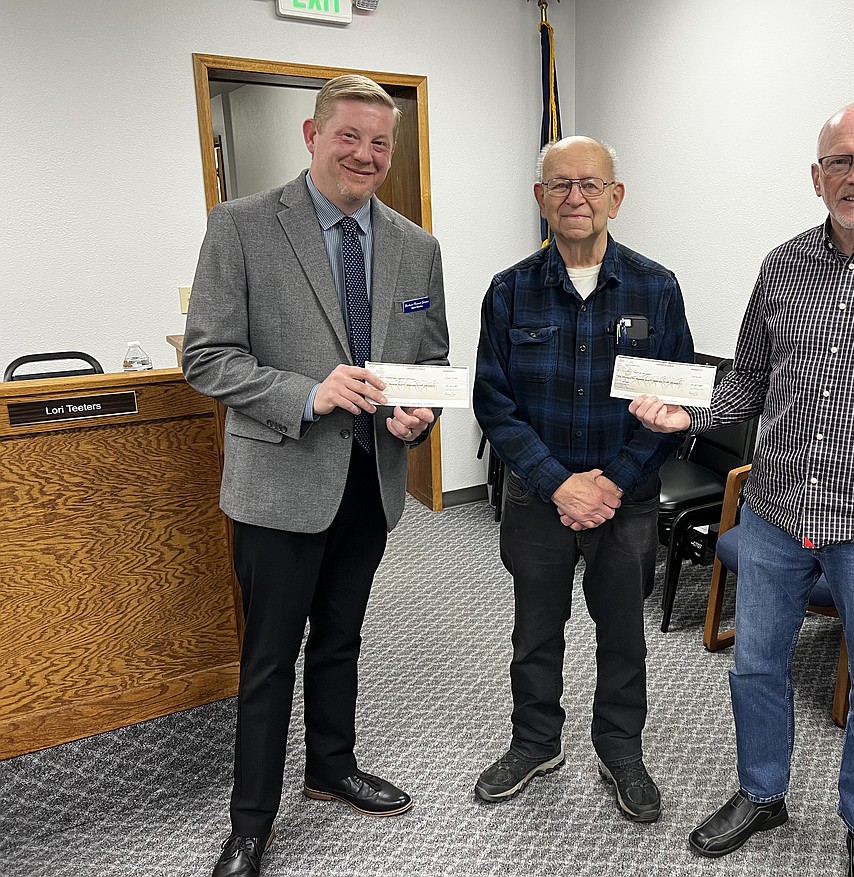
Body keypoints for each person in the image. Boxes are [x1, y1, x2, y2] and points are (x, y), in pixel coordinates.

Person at [630, 103, 854, 876]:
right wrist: (686, 411)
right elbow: (751, 386)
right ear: (816, 175)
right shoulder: (782, 265)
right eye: (839, 161)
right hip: (774, 514)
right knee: (755, 666)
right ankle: (761, 794)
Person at [183, 74, 449, 877]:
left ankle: (331, 766)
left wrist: (417, 412)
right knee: (270, 656)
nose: (366, 155)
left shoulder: (415, 244)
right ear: (312, 133)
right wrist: (306, 392)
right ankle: (250, 823)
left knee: (342, 638)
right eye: (349, 136)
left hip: (372, 481)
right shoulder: (241, 226)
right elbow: (206, 357)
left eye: (380, 142)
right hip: (278, 483)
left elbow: (429, 359)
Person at [472, 135, 695, 824]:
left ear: (615, 197)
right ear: (540, 198)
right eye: (560, 185)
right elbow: (494, 403)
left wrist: (613, 482)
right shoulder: (509, 291)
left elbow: (676, 405)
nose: (576, 197)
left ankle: (620, 749)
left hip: (625, 502)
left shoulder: (657, 288)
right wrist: (556, 482)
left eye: (591, 184)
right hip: (538, 500)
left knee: (622, 631)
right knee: (536, 630)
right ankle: (535, 742)